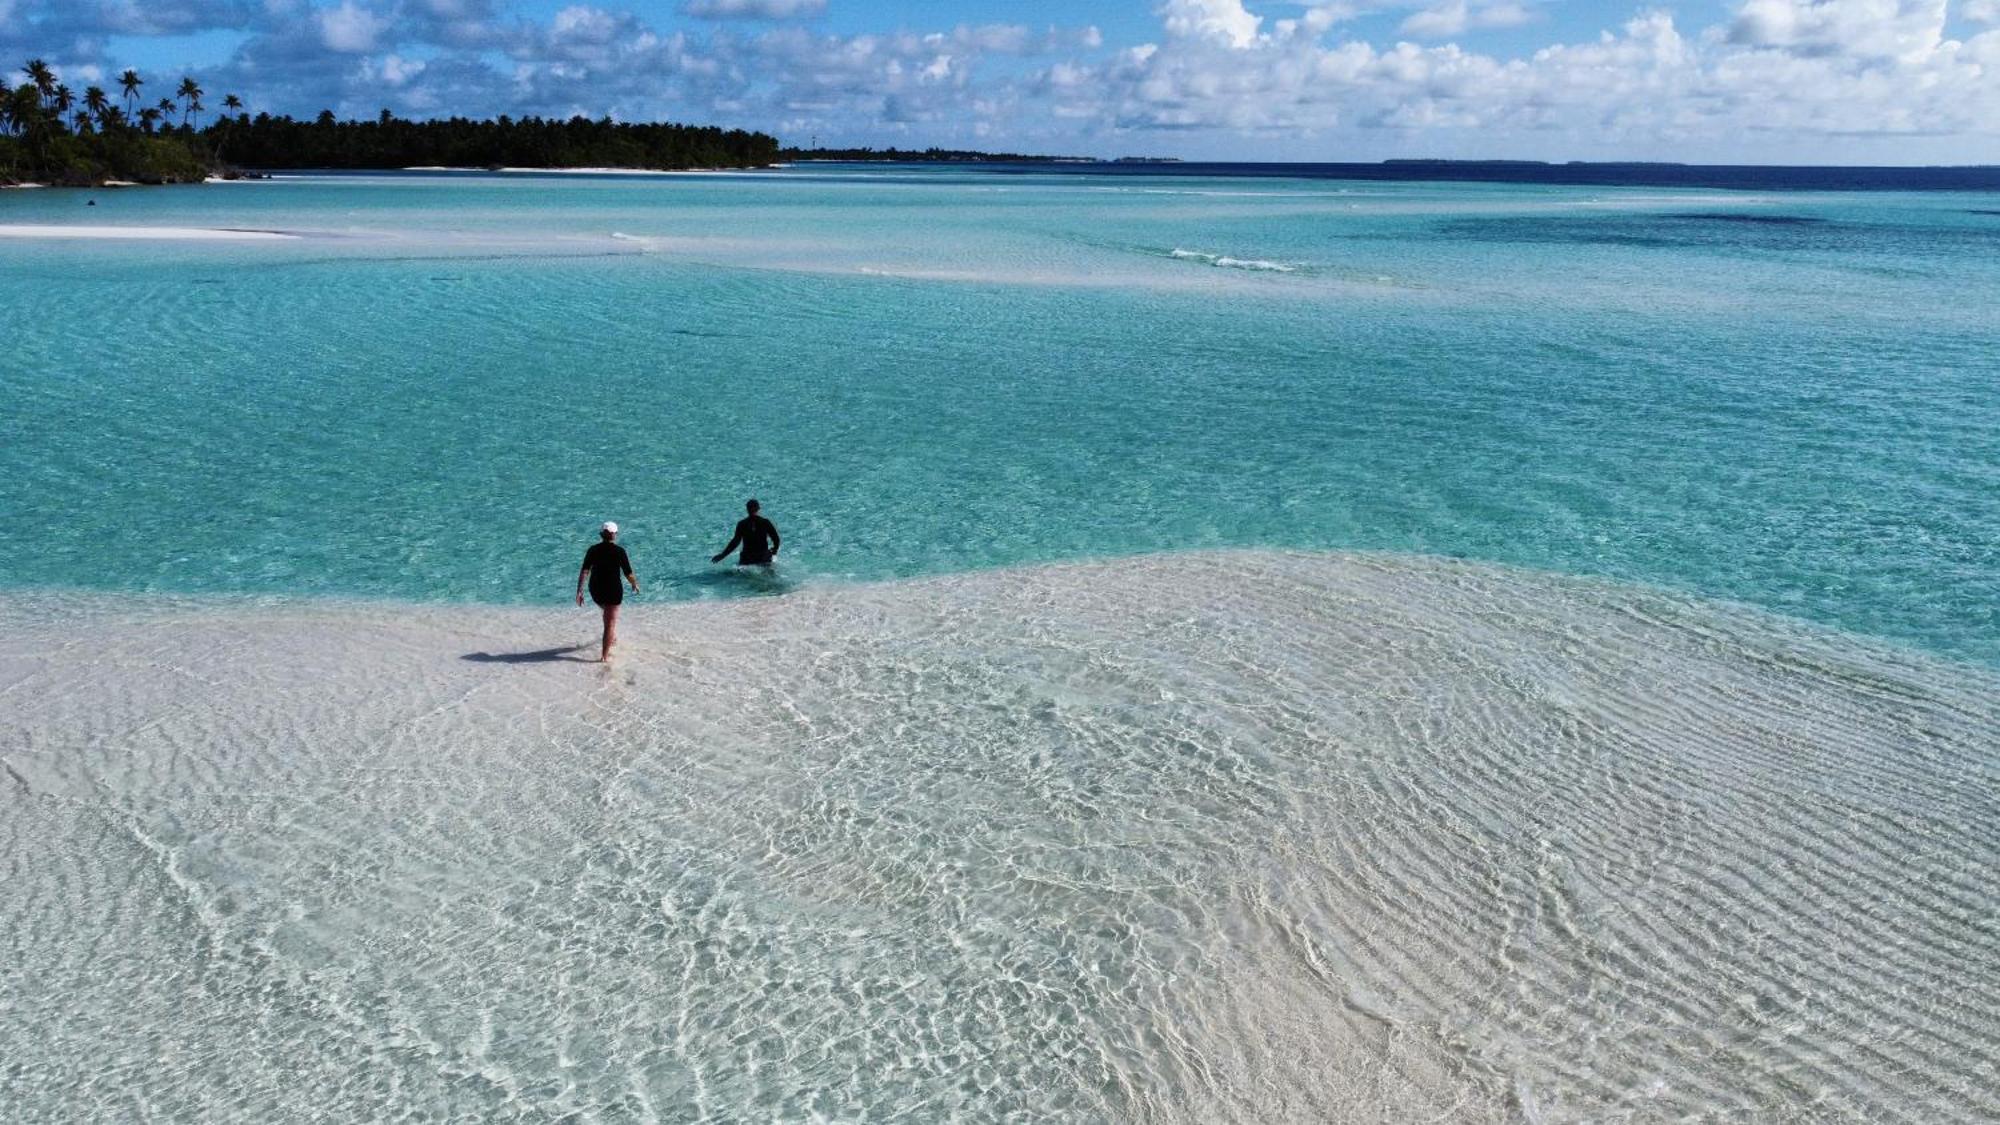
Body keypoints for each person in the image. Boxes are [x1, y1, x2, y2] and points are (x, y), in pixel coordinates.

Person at [577, 521, 638, 661]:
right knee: (610, 624)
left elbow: (585, 571)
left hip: (596, 590)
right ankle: (604, 657)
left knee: (608, 617)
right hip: (613, 591)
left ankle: (611, 638)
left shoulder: (592, 549)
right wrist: (634, 583)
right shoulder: (620, 551)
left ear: (601, 534)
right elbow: (628, 573)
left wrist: (579, 591)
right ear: (614, 535)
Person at [712, 499, 781, 567]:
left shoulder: (742, 524)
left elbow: (735, 542)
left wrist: (722, 555)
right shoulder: (765, 522)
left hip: (747, 559)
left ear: (747, 509)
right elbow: (776, 539)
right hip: (762, 557)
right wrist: (775, 549)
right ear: (758, 508)